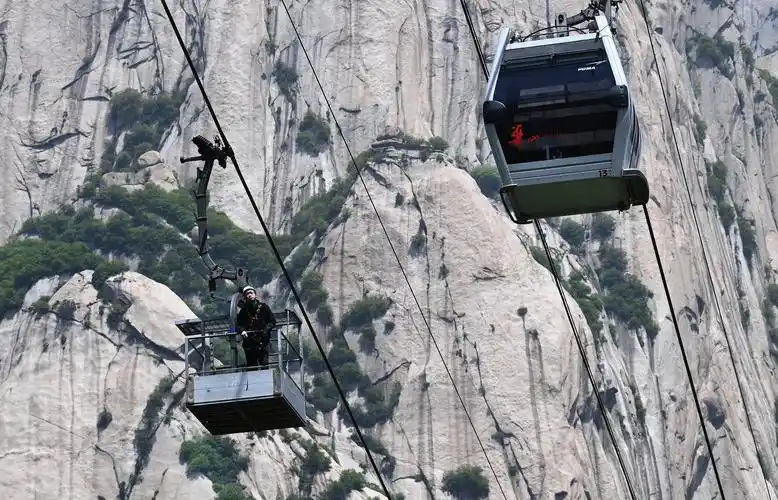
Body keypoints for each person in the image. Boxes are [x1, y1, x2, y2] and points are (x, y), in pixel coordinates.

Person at [235, 285, 276, 369]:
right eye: (247, 294)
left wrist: (266, 330)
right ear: (245, 297)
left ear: (255, 295)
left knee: (264, 365)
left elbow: (272, 321)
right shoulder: (243, 311)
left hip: (262, 342)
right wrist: (242, 331)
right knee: (252, 367)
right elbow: (238, 325)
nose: (249, 295)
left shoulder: (264, 307)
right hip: (249, 343)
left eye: (251, 293)